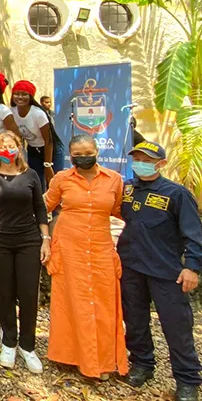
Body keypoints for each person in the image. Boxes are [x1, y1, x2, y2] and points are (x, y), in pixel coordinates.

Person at [117, 141, 202, 401]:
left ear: (161, 164)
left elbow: (193, 234)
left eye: (146, 159)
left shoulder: (176, 194)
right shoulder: (127, 189)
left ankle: (187, 380)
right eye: (137, 158)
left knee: (176, 326)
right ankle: (142, 365)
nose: (140, 163)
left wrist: (192, 267)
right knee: (135, 321)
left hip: (166, 270)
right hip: (131, 266)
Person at [44, 134, 127, 381]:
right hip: (69, 248)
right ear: (70, 156)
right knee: (69, 301)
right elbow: (44, 207)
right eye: (77, 155)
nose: (83, 157)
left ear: (97, 151)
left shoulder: (114, 180)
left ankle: (102, 360)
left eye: (87, 152)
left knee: (102, 303)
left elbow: (120, 210)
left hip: (101, 249)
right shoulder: (61, 179)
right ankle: (68, 356)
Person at [0, 132, 49, 374]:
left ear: (19, 148)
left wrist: (46, 239)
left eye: (11, 146)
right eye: (2, 147)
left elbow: (39, 207)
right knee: (5, 294)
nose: (7, 150)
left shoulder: (30, 175)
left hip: (29, 240)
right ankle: (9, 342)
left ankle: (28, 346)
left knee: (29, 294)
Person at [10, 80, 55, 188]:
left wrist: (48, 165)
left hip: (50, 150)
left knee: (53, 182)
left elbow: (48, 141)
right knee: (37, 181)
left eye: (24, 94)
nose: (20, 97)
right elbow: (17, 136)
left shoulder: (38, 114)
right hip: (33, 149)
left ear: (30, 97)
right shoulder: (11, 111)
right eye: (16, 93)